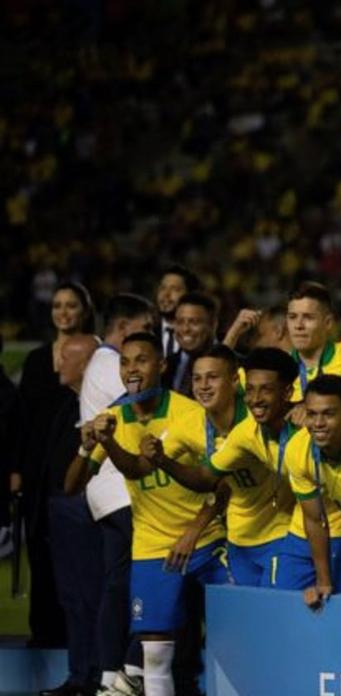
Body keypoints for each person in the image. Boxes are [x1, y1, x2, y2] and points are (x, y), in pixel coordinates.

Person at [65, 333, 228, 696]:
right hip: (152, 548)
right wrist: (86, 447)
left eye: (141, 360)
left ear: (162, 365)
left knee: (235, 633)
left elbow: (223, 485)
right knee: (154, 655)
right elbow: (72, 486)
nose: (132, 369)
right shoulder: (113, 419)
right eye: (125, 362)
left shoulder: (190, 414)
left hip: (206, 541)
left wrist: (193, 532)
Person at [152, 348, 298, 587]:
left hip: (284, 533)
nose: (256, 398)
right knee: (247, 609)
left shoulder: (302, 422)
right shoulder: (243, 435)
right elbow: (207, 479)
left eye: (212, 377)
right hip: (239, 539)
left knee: (276, 607)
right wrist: (161, 460)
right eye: (197, 378)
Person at [77, 293, 155, 695]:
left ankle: (110, 676)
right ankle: (132, 668)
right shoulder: (111, 364)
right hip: (121, 489)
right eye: (146, 327)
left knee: (118, 582)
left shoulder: (99, 363)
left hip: (106, 492)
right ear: (124, 328)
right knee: (153, 576)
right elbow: (139, 401)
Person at [14, 280, 93, 649]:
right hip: (36, 472)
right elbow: (22, 420)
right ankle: (43, 634)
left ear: (85, 311)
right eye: (57, 305)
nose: (63, 312)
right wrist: (17, 470)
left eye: (71, 305)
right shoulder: (35, 360)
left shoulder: (96, 357)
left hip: (77, 470)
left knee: (76, 559)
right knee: (39, 552)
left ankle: (77, 639)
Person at [280, 376, 341, 610]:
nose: (318, 423)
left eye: (328, 414)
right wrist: (324, 582)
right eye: (312, 414)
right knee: (336, 603)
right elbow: (315, 519)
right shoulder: (298, 449)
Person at [40, 335, 101, 696]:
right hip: (62, 510)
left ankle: (94, 674)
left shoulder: (95, 408)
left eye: (67, 357)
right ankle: (80, 674)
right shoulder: (66, 405)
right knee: (73, 597)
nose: (59, 362)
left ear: (86, 364)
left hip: (82, 510)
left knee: (89, 595)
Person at [287, 282, 341, 403]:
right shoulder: (280, 370)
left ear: (328, 323)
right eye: (292, 317)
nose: (298, 325)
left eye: (308, 317)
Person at [163, 292, 219, 396]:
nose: (185, 329)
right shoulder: (165, 366)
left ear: (213, 325)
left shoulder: (236, 366)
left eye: (194, 322)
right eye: (180, 322)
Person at [154, 266, 199, 359]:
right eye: (162, 288)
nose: (166, 294)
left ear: (190, 295)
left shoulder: (199, 336)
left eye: (175, 289)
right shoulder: (148, 330)